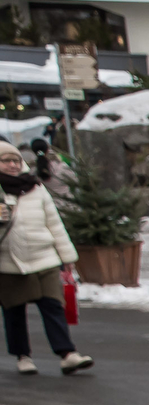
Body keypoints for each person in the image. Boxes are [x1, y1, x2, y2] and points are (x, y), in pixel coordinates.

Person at [0, 142, 87, 376]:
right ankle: (23, 356)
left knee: (53, 306)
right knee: (14, 311)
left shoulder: (35, 187)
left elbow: (54, 223)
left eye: (15, 160)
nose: (11, 165)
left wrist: (67, 255)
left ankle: (67, 354)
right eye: (5, 161)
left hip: (44, 257)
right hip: (9, 262)